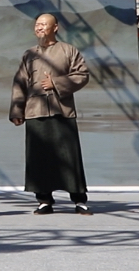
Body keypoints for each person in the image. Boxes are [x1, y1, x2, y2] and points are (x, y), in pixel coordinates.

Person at [9, 14, 93, 215]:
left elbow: (82, 75)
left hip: (62, 111)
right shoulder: (29, 54)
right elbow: (19, 83)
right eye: (37, 24)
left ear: (55, 28)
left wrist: (55, 83)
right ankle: (44, 200)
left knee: (69, 156)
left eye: (44, 24)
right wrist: (17, 110)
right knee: (38, 158)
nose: (39, 28)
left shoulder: (68, 50)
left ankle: (79, 200)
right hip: (35, 111)